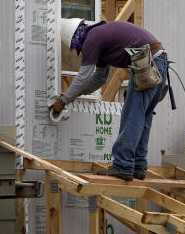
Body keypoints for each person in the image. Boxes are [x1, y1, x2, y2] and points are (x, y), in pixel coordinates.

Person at [48, 18, 168, 181]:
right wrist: (76, 93)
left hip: (145, 62)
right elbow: (101, 79)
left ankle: (122, 166)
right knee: (143, 115)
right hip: (159, 60)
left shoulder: (92, 38)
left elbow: (83, 77)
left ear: (76, 37)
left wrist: (63, 100)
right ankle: (138, 166)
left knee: (132, 114)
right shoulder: (101, 35)